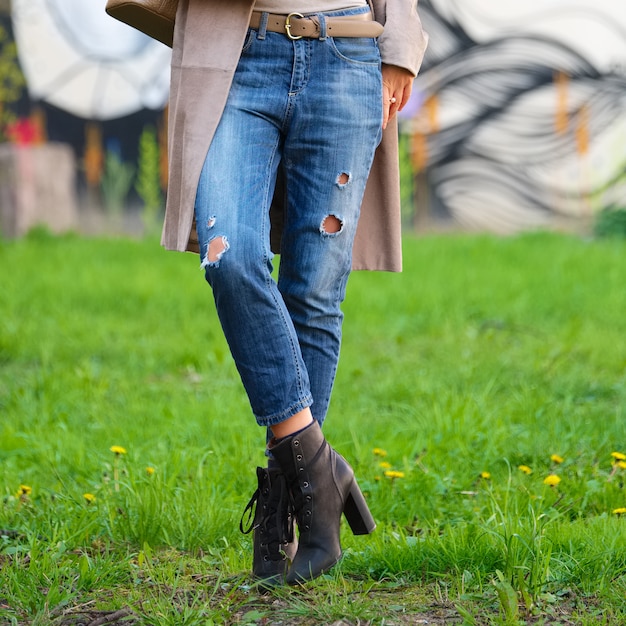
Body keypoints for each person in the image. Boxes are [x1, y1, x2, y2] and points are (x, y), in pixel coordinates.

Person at [161, 0, 428, 585]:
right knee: (230, 257)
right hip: (233, 56)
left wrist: (401, 49)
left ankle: (287, 508)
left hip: (349, 52)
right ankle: (316, 468)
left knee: (313, 292)